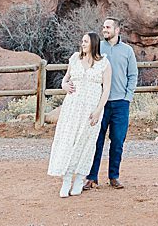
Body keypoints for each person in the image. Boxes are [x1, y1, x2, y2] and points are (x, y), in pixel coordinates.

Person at [47, 31, 112, 198]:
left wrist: (98, 110)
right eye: (82, 41)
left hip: (91, 110)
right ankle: (67, 179)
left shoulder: (104, 63)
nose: (82, 44)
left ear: (93, 44)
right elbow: (65, 79)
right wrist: (64, 85)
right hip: (72, 108)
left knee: (86, 143)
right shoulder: (75, 58)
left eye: (85, 41)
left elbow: (106, 90)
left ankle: (80, 179)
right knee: (69, 141)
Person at [83, 16, 138, 191]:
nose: (104, 29)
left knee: (117, 142)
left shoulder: (127, 51)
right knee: (96, 141)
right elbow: (86, 67)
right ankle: (92, 177)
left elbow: (133, 75)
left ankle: (114, 176)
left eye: (108, 27)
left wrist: (127, 96)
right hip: (100, 104)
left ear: (117, 30)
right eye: (103, 27)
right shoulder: (98, 48)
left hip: (120, 103)